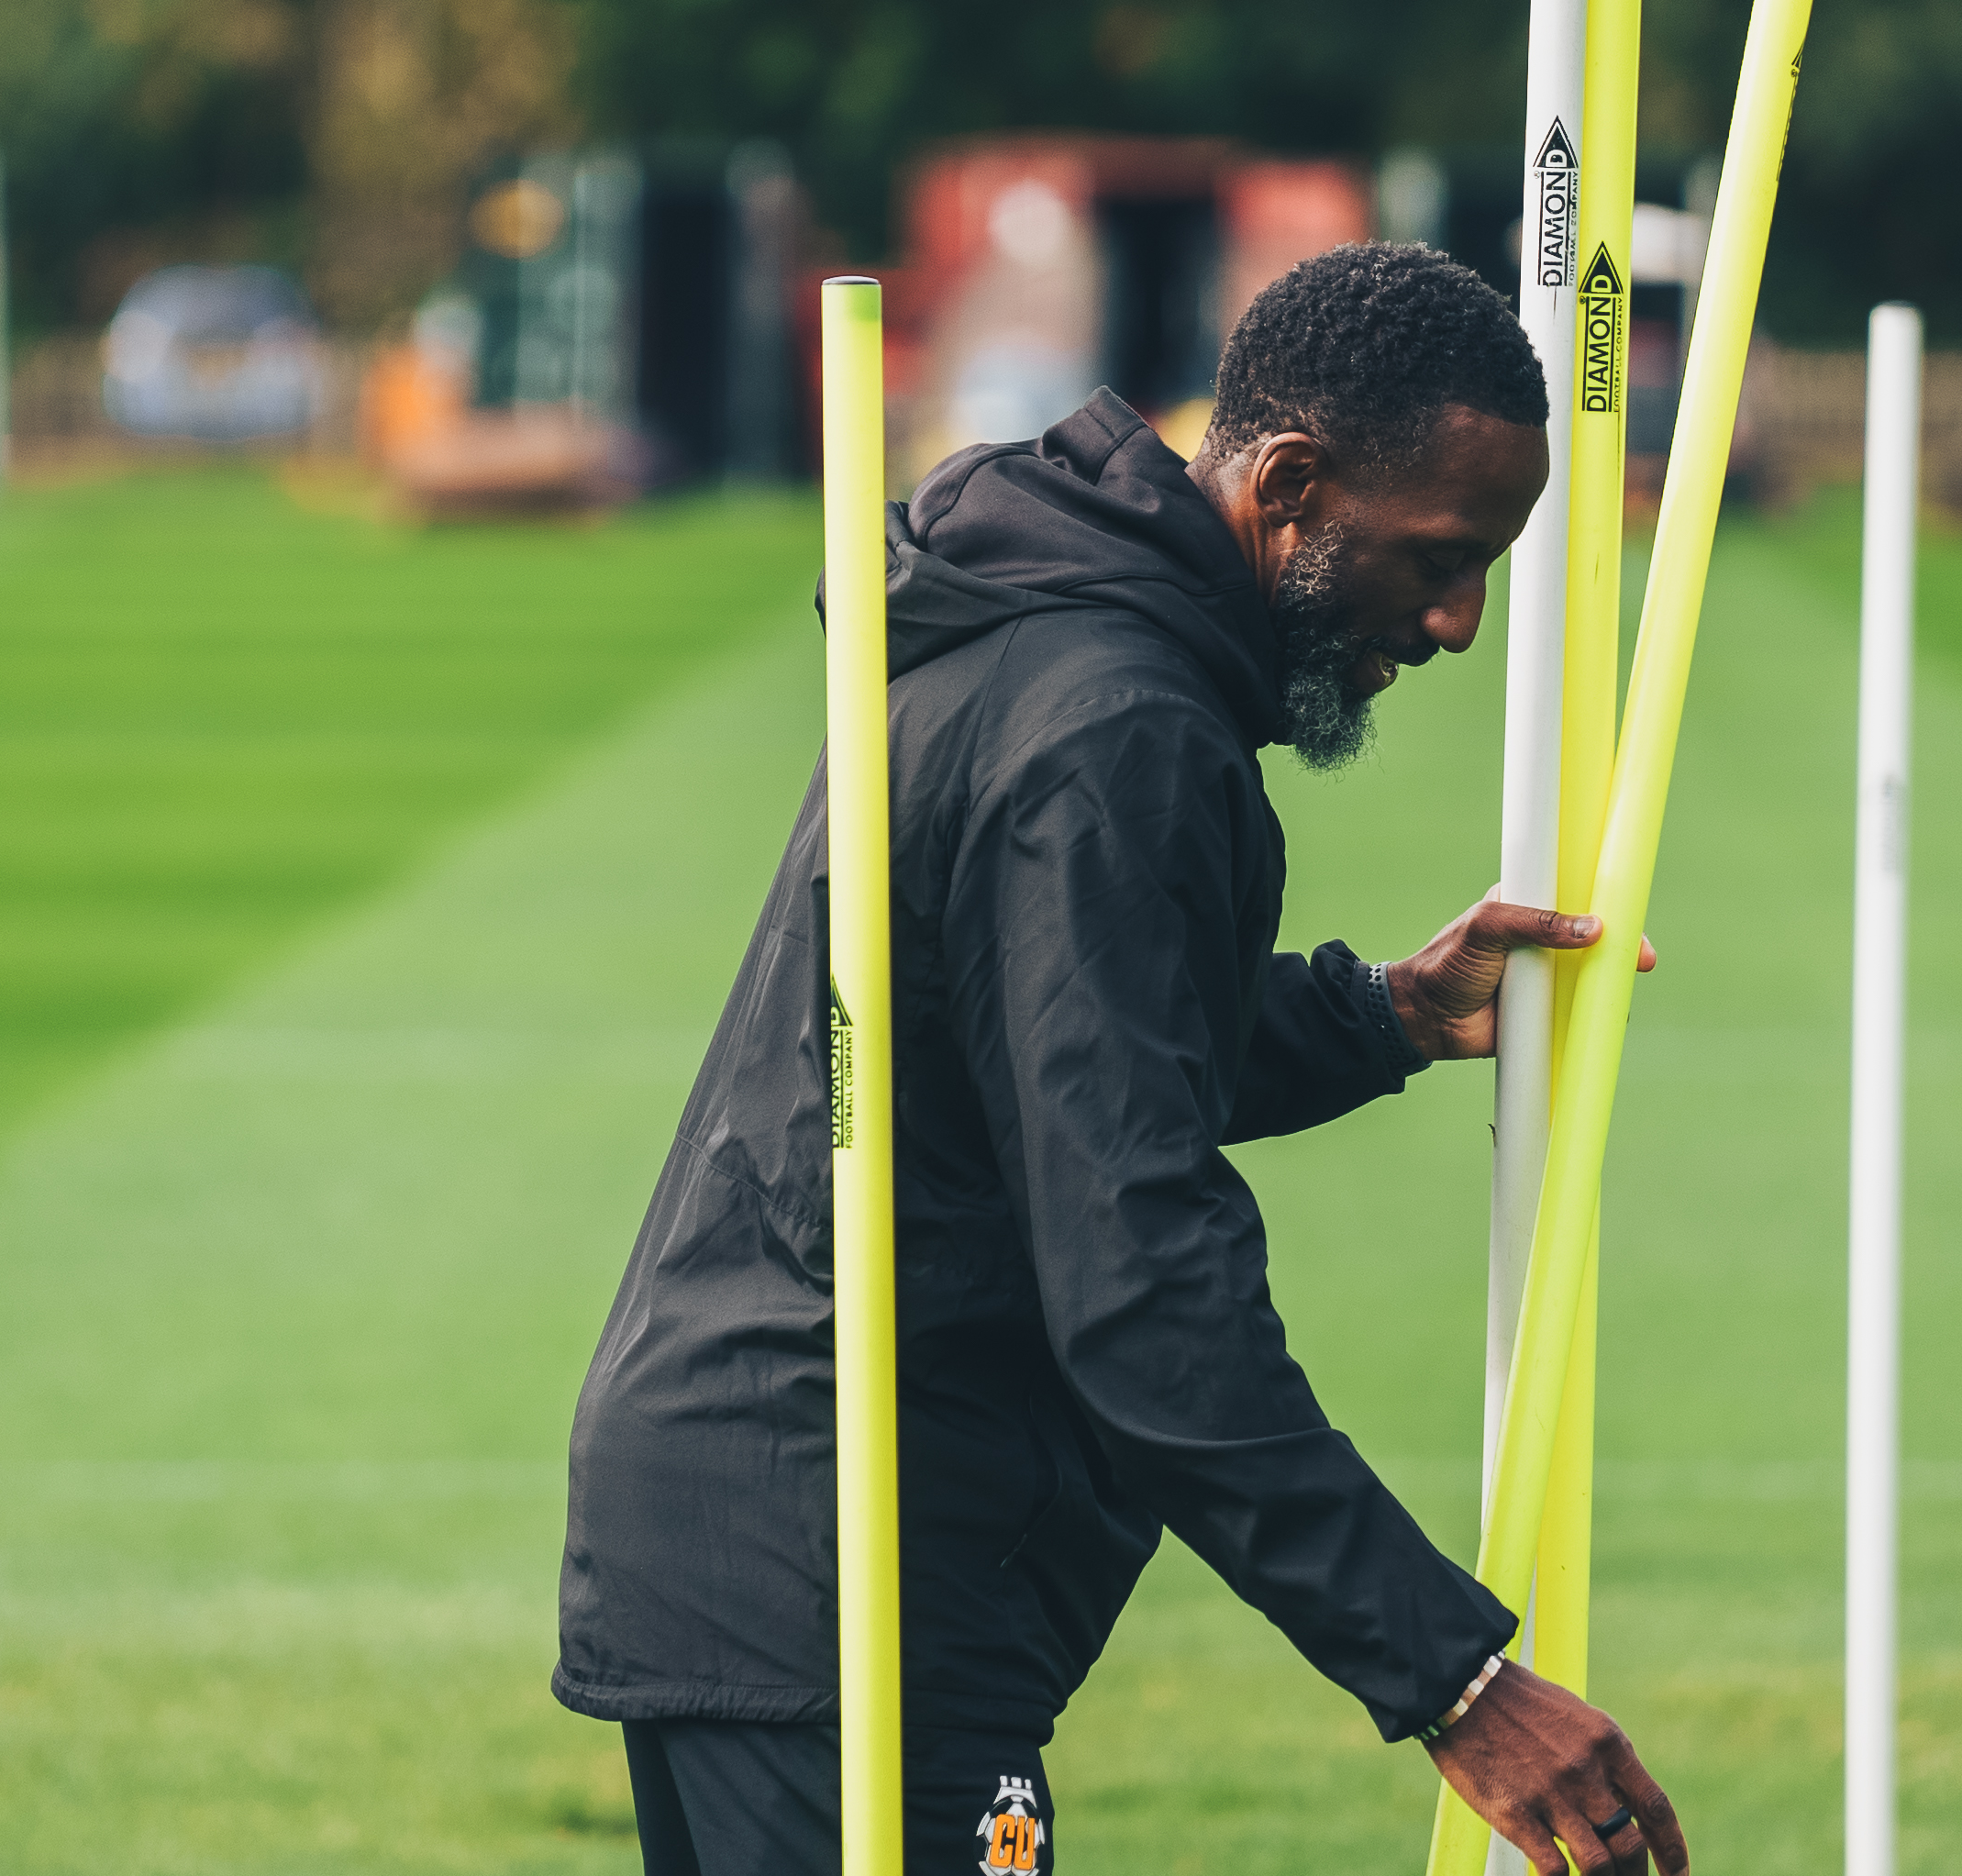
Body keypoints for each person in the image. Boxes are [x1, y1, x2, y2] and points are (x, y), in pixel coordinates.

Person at [554, 243, 1687, 1876]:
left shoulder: (1052, 631)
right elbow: (1139, 1268)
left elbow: (1056, 1046)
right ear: (1290, 487)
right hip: (840, 1544)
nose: (1457, 624)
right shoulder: (1115, 727)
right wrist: (1455, 1675)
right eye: (1441, 558)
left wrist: (1386, 1014)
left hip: (801, 1524)